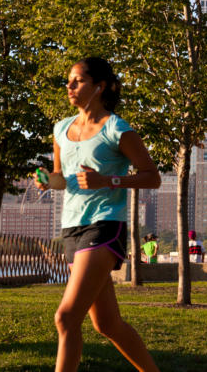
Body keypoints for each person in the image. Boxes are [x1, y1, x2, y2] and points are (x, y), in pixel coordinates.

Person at [33, 57, 161, 372]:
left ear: (98, 86)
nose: (69, 86)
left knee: (65, 317)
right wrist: (48, 181)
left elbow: (152, 176)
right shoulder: (61, 128)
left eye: (77, 81)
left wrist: (109, 180)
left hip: (105, 225)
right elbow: (63, 178)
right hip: (72, 228)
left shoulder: (116, 128)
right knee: (107, 324)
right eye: (68, 81)